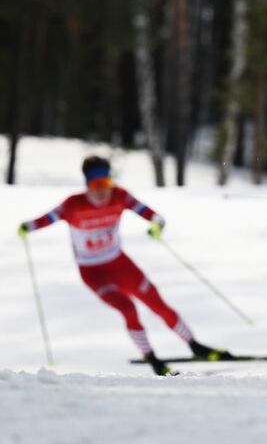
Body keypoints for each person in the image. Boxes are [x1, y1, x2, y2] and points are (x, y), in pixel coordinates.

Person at [17, 155, 231, 375]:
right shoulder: (74, 204)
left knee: (158, 304)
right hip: (93, 272)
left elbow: (154, 215)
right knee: (127, 308)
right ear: (87, 185)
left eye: (106, 183)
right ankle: (154, 362)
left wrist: (156, 225)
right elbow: (47, 218)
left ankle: (195, 346)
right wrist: (28, 226)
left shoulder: (120, 196)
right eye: (95, 184)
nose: (102, 190)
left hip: (120, 264)